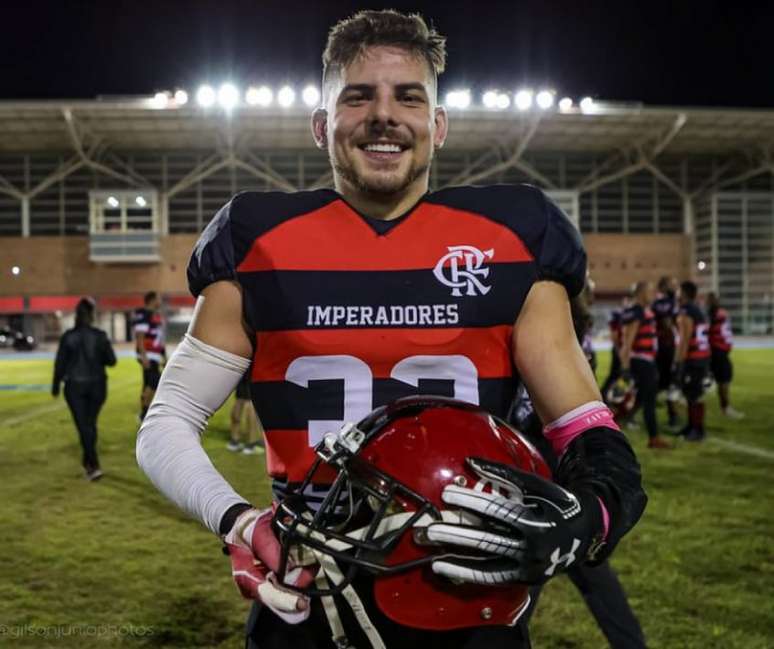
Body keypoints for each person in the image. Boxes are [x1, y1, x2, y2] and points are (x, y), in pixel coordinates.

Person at [137, 10, 646, 649]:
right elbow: (167, 424)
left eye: (409, 97)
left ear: (437, 127)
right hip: (310, 582)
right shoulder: (257, 241)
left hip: (468, 589)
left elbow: (585, 430)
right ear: (322, 126)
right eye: (358, 96)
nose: (384, 115)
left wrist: (590, 517)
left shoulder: (515, 239)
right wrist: (240, 522)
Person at [510, 290, 647, 649]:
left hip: (540, 463)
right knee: (590, 571)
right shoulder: (573, 331)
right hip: (569, 465)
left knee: (523, 573)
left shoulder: (537, 326)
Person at [52, 297, 116, 480]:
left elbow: (60, 364)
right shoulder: (100, 336)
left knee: (84, 426)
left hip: (75, 387)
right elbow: (111, 361)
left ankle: (93, 464)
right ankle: (89, 461)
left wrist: (56, 386)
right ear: (92, 315)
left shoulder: (68, 337)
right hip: (98, 386)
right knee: (89, 425)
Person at [620, 281, 671, 449]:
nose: (653, 295)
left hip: (645, 360)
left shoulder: (639, 311)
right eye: (650, 291)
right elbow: (627, 342)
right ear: (641, 293)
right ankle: (654, 437)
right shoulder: (637, 312)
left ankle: (622, 420)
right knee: (649, 400)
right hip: (641, 361)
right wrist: (625, 368)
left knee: (641, 397)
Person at [675, 281, 711, 441]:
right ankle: (691, 426)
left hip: (694, 358)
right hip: (701, 357)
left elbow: (685, 338)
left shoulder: (687, 310)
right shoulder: (696, 309)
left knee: (694, 394)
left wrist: (679, 362)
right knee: (691, 393)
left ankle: (698, 429)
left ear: (683, 293)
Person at [706, 292, 744, 419]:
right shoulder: (712, 315)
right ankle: (725, 408)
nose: (716, 301)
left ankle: (724, 406)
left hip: (720, 351)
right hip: (717, 351)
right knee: (723, 380)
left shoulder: (719, 313)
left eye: (716, 299)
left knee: (724, 379)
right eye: (713, 300)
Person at [651, 276, 680, 429]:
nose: (674, 287)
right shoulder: (668, 303)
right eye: (671, 285)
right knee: (670, 382)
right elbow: (670, 323)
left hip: (660, 346)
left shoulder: (657, 303)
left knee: (660, 383)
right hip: (667, 346)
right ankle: (673, 416)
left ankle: (630, 412)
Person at [133, 291, 166, 421]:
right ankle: (144, 413)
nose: (160, 301)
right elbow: (140, 337)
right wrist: (144, 356)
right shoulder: (143, 314)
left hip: (155, 355)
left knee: (148, 383)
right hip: (148, 355)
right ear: (152, 300)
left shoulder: (155, 315)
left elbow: (159, 338)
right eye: (159, 299)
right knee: (155, 381)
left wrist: (164, 356)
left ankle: (144, 412)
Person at [228, 370, 265, 454]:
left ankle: (245, 441)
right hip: (247, 371)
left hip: (248, 370)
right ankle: (242, 440)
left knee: (245, 402)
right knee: (243, 402)